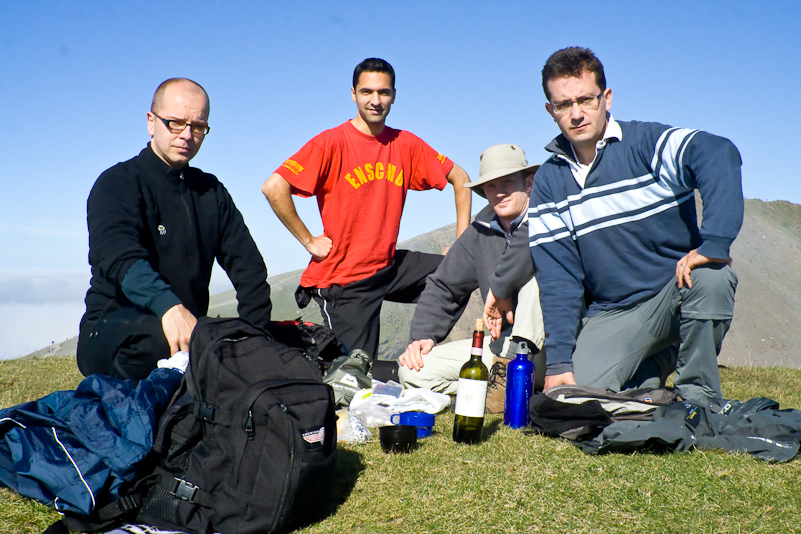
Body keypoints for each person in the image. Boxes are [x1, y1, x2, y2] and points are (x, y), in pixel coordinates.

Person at [486, 47, 743, 402]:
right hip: (613, 313)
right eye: (563, 105)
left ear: (606, 98)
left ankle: (697, 395)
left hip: (675, 294)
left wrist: (714, 245)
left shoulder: (647, 144)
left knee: (712, 276)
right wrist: (559, 361)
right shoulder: (549, 181)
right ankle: (652, 364)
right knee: (575, 397)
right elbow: (559, 278)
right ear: (551, 111)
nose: (576, 114)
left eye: (586, 100)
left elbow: (718, 153)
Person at [262, 58, 471, 379]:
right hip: (345, 280)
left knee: (462, 272)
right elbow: (274, 187)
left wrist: (461, 244)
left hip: (387, 267)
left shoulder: (405, 144)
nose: (375, 100)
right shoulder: (331, 142)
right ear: (353, 94)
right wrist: (308, 240)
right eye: (367, 92)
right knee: (354, 378)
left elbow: (461, 179)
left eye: (383, 92)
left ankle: (421, 350)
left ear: (394, 95)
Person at [77, 78, 273, 381]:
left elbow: (248, 267)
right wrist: (169, 308)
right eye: (175, 123)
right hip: (115, 330)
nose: (187, 135)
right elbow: (120, 258)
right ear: (151, 122)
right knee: (158, 341)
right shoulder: (117, 183)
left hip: (187, 331)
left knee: (228, 342)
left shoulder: (210, 192)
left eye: (198, 126)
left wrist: (257, 337)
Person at [398, 144, 545, 412]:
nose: (499, 191)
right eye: (491, 186)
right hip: (500, 349)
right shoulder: (480, 232)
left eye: (507, 182)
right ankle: (500, 387)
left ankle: (513, 383)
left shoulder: (551, 219)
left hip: (553, 347)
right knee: (413, 372)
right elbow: (444, 285)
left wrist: (502, 286)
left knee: (532, 280)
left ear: (528, 183)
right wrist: (423, 337)